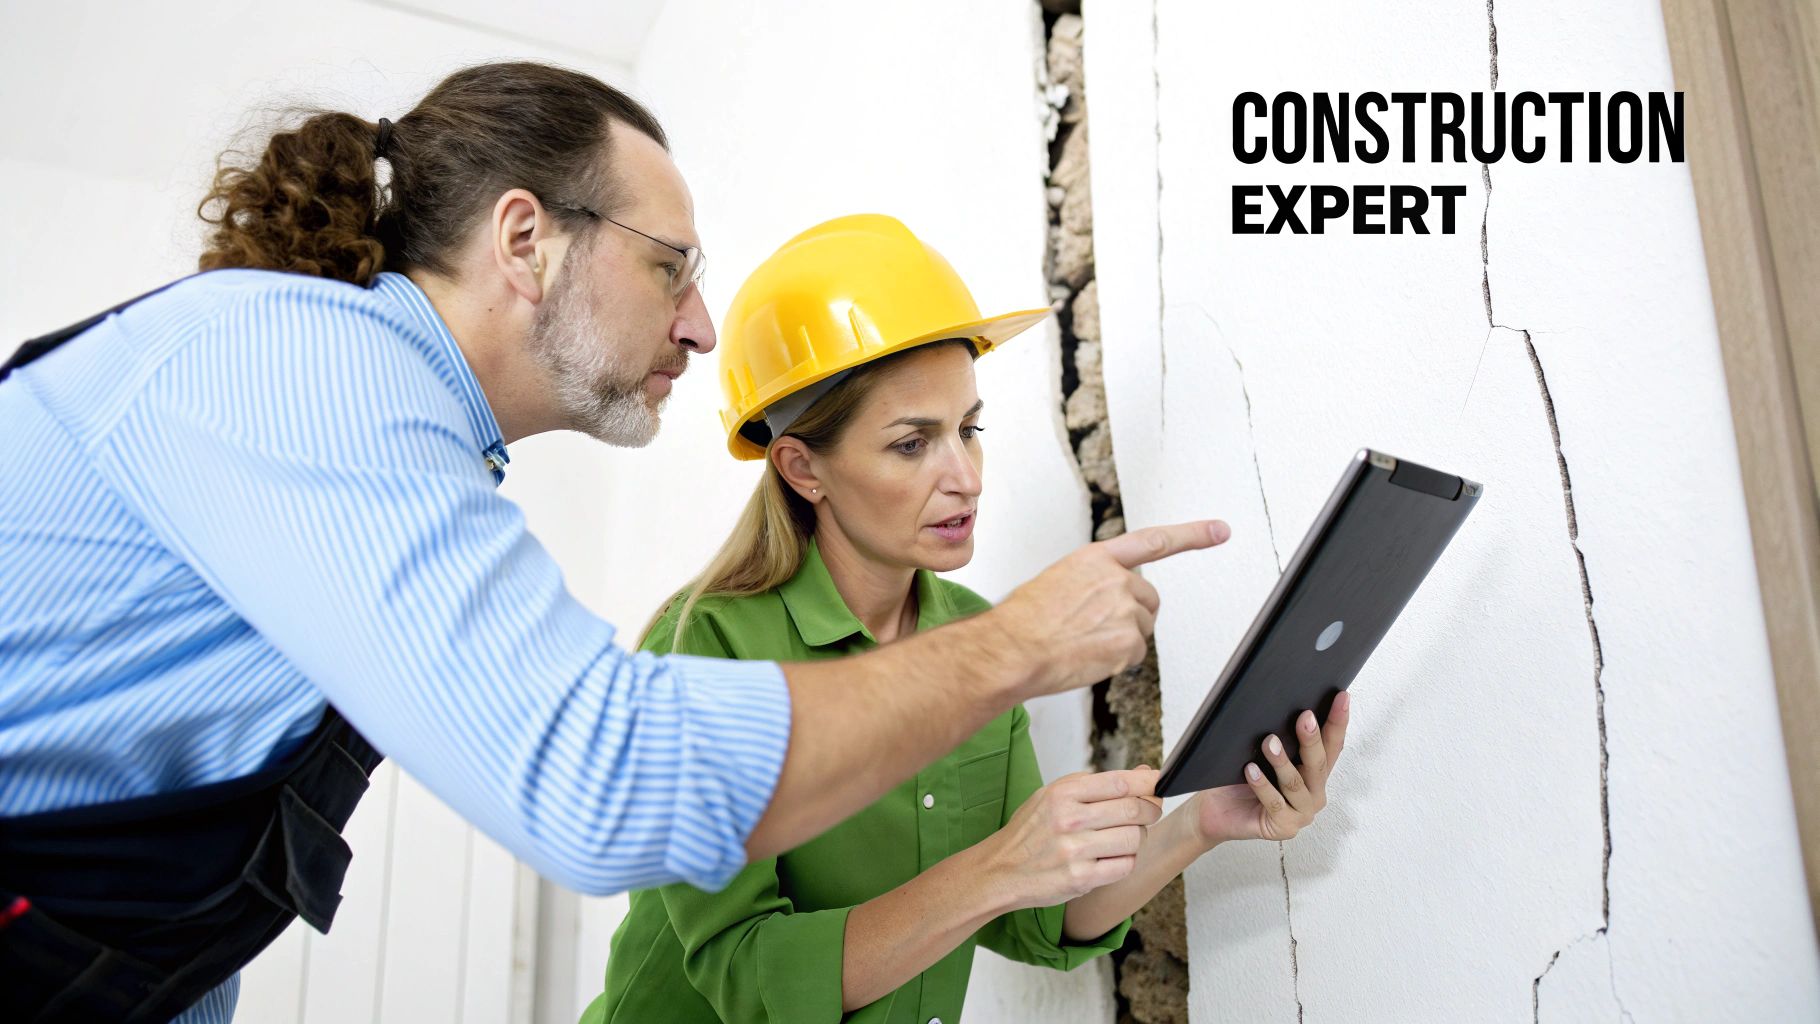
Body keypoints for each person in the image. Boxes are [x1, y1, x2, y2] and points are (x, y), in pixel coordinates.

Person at [0, 64, 1225, 1023]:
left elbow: (174, 878)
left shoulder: (412, 448)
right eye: (669, 268)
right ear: (525, 240)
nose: (698, 328)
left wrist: (1193, 816)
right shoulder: (298, 365)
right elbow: (602, 787)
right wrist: (1014, 647)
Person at [581, 215, 1347, 1024]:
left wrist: (1204, 821)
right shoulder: (706, 650)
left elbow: (1035, 918)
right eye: (912, 445)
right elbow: (748, 975)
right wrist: (998, 868)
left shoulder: (972, 635)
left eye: (969, 430)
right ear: (804, 468)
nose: (964, 477)